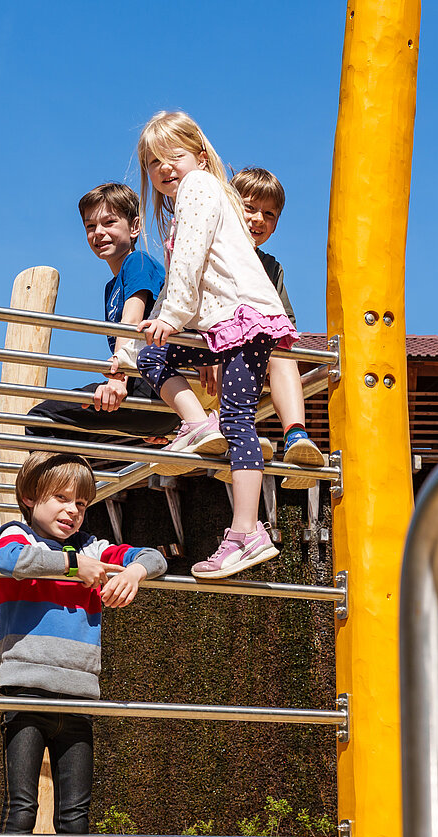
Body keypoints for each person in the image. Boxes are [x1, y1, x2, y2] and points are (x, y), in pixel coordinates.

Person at [0, 451, 167, 837]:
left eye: (82, 503)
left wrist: (130, 571)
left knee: (77, 820)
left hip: (79, 699)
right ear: (30, 499)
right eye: (60, 499)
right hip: (25, 693)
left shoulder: (95, 547)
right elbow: (8, 563)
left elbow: (155, 555)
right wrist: (74, 566)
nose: (72, 511)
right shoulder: (15, 534)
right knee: (20, 811)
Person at [133, 112, 298, 579]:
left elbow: (190, 259)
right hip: (225, 326)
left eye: (174, 156)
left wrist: (171, 316)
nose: (164, 168)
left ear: (200, 157)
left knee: (236, 416)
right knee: (155, 356)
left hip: (241, 319)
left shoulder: (199, 188)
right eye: (153, 162)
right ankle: (199, 424)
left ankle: (246, 531)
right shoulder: (203, 194)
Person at [24, 183, 178, 444]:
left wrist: (117, 380)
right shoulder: (111, 287)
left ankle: (61, 485)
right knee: (67, 428)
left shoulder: (138, 262)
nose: (99, 232)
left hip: (156, 383)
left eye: (109, 222)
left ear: (134, 227)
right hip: (151, 391)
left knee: (41, 419)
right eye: (90, 226)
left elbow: (131, 322)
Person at [231, 168, 324, 487]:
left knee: (282, 351)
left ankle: (296, 435)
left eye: (268, 214)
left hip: (250, 356)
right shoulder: (209, 254)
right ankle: (232, 435)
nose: (258, 219)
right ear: (229, 207)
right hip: (211, 354)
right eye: (249, 207)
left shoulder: (270, 268)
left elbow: (286, 324)